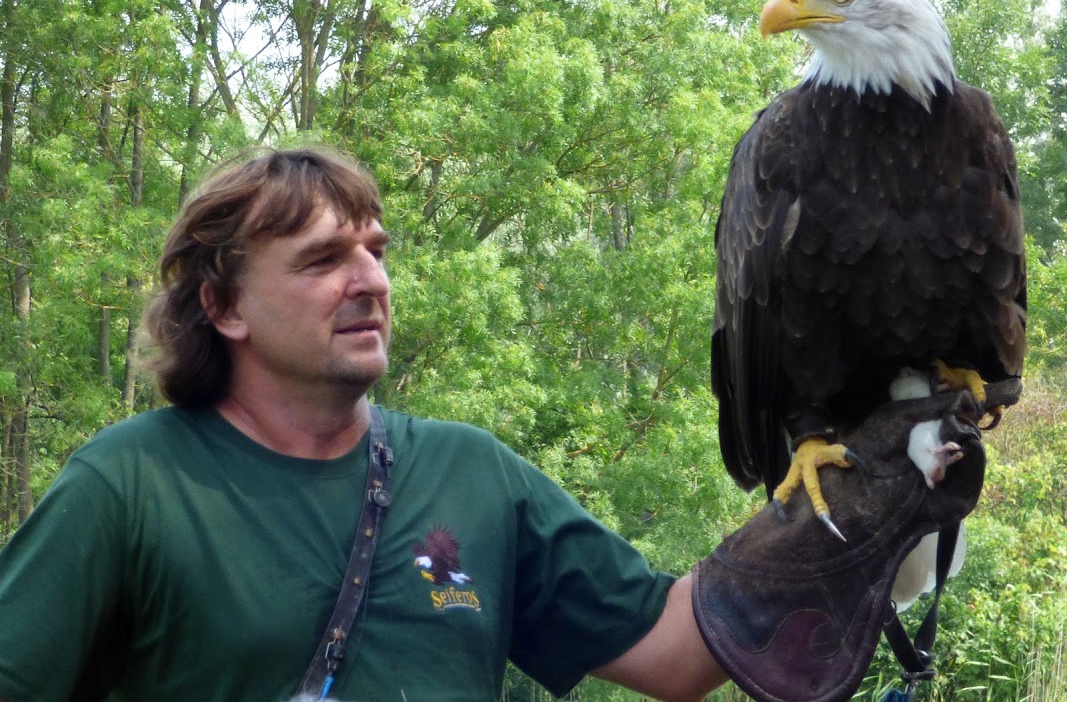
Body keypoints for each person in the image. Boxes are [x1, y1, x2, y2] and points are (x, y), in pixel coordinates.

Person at [0, 147, 727, 702]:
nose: (371, 281)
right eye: (323, 260)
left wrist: (829, 489)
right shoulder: (133, 481)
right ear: (225, 307)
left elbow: (674, 651)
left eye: (375, 253)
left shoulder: (472, 474)